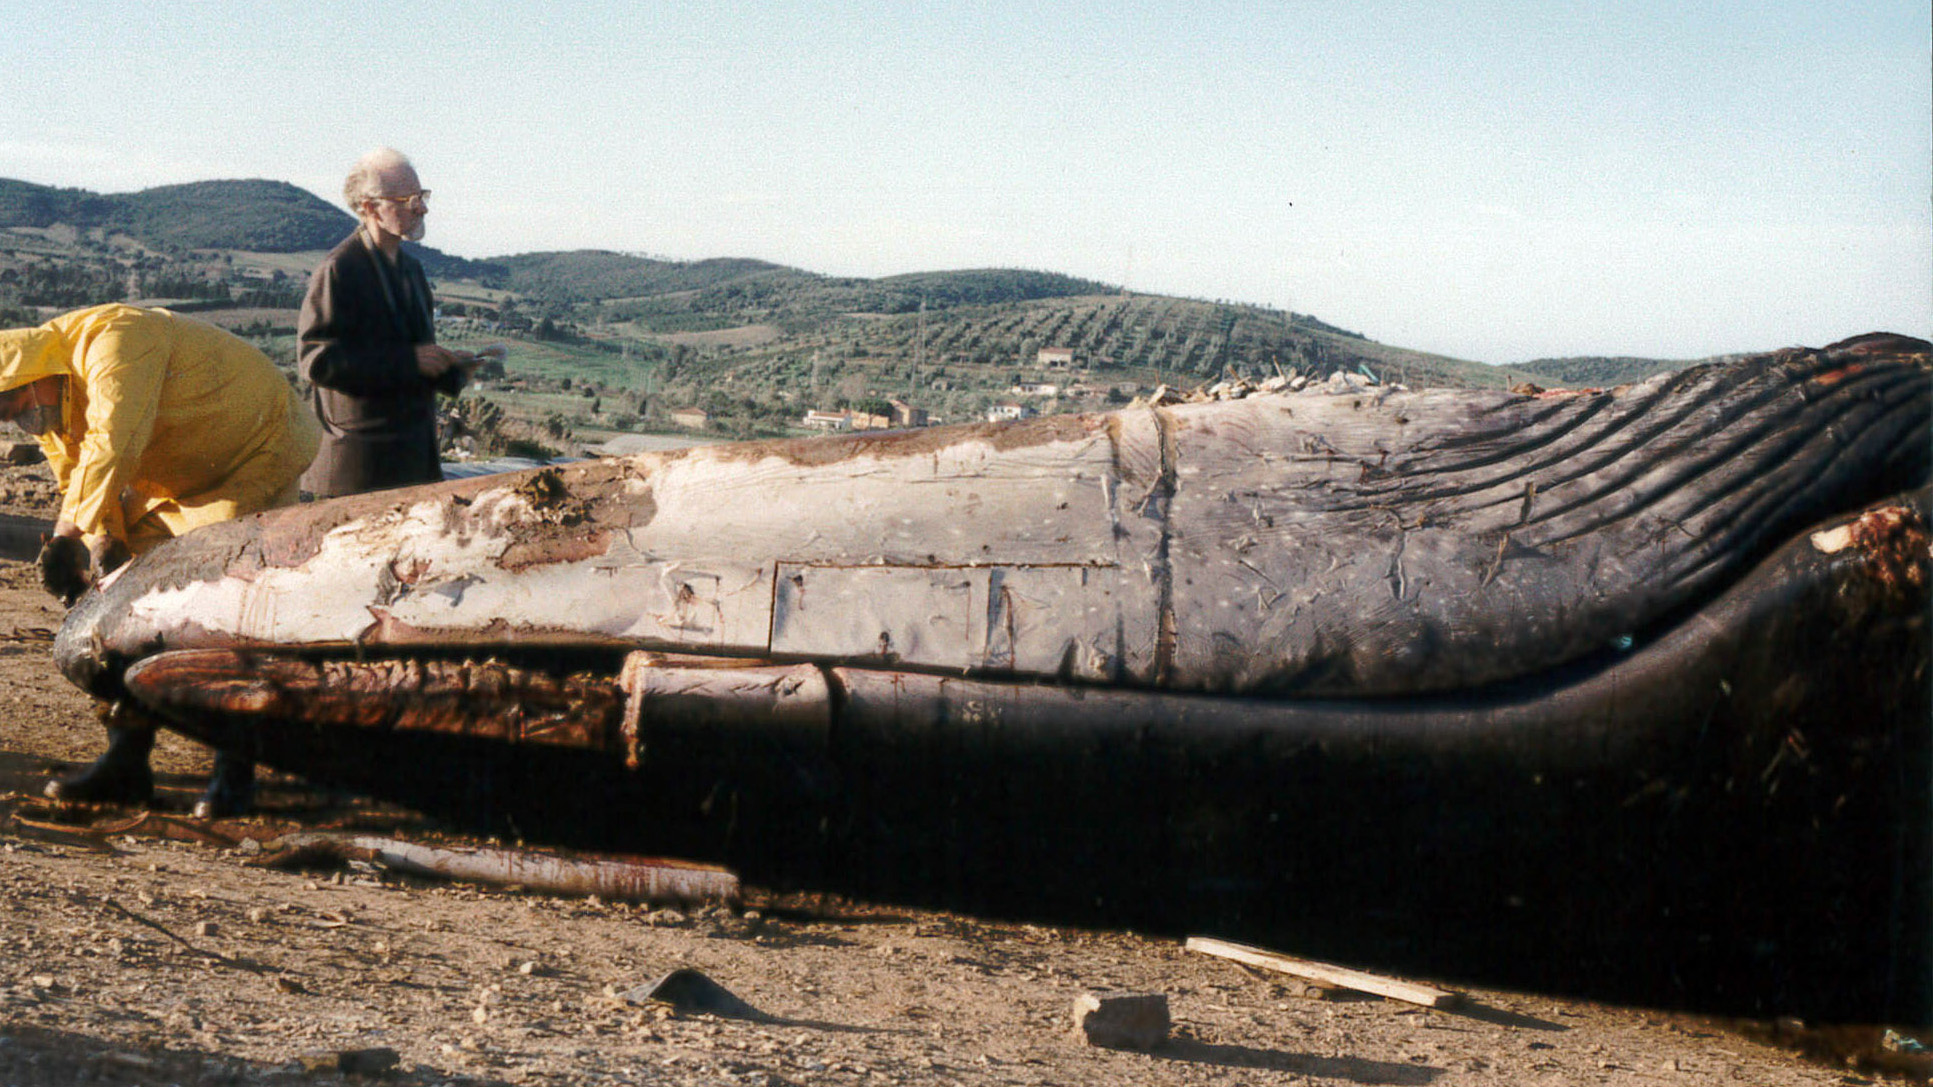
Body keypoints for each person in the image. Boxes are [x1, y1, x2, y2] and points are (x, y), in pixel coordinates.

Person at [0, 303, 321, 817]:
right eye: (7, 415)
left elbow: (112, 443)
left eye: (15, 405)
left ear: (35, 377)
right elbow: (75, 474)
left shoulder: (114, 342)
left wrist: (66, 535)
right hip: (177, 478)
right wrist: (102, 544)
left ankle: (233, 773)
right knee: (132, 606)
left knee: (225, 603)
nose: (18, 419)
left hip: (255, 448)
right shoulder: (50, 395)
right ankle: (127, 762)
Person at [299, 147, 483, 497]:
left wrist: (451, 368)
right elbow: (316, 362)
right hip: (357, 476)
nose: (422, 208)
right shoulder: (339, 270)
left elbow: (413, 359)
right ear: (369, 207)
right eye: (408, 200)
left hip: (413, 467)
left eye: (422, 197)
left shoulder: (412, 271)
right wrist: (409, 361)